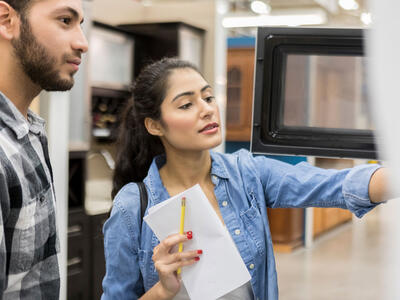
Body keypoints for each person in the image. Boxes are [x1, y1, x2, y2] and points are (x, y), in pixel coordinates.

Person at [101, 57, 388, 300]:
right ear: (154, 125)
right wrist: (162, 291)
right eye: (187, 105)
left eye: (208, 97)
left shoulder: (247, 174)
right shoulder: (132, 205)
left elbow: (333, 185)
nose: (207, 109)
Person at [0, 0, 88, 298]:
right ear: (6, 20)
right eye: (65, 20)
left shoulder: (28, 134)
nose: (82, 43)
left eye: (80, 24)